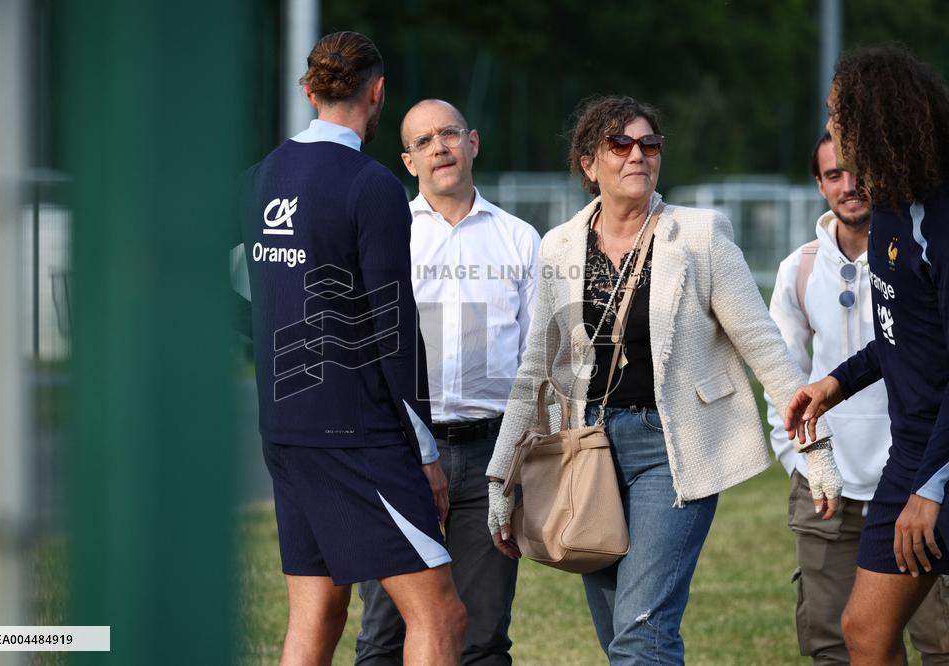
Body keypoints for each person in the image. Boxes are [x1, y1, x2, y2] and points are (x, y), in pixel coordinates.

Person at [484, 94, 841, 665]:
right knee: (620, 636)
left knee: (641, 631)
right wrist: (502, 478)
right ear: (588, 162)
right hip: (588, 454)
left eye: (649, 144)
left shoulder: (699, 236)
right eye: (620, 144)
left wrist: (814, 447)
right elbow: (535, 372)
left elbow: (764, 348)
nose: (638, 156)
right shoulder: (558, 247)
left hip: (672, 453)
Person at [237, 32, 466, 666]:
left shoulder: (260, 177)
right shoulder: (372, 185)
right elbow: (395, 327)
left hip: (284, 431)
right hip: (358, 436)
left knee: (318, 613)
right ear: (378, 91)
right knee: (441, 614)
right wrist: (424, 451)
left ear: (309, 92)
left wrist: (252, 323)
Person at [355, 99, 538, 665]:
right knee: (383, 635)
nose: (440, 147)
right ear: (408, 161)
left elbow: (538, 360)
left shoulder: (520, 239)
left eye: (450, 134)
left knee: (482, 639)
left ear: (473, 142)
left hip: (492, 454)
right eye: (425, 141)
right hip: (400, 455)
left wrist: (519, 459)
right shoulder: (386, 236)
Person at [785, 46, 949, 665]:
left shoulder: (940, 219)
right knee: (863, 631)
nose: (833, 125)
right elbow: (903, 335)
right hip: (915, 456)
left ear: (877, 117)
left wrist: (930, 489)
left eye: (840, 111)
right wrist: (833, 383)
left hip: (937, 462)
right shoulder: (886, 213)